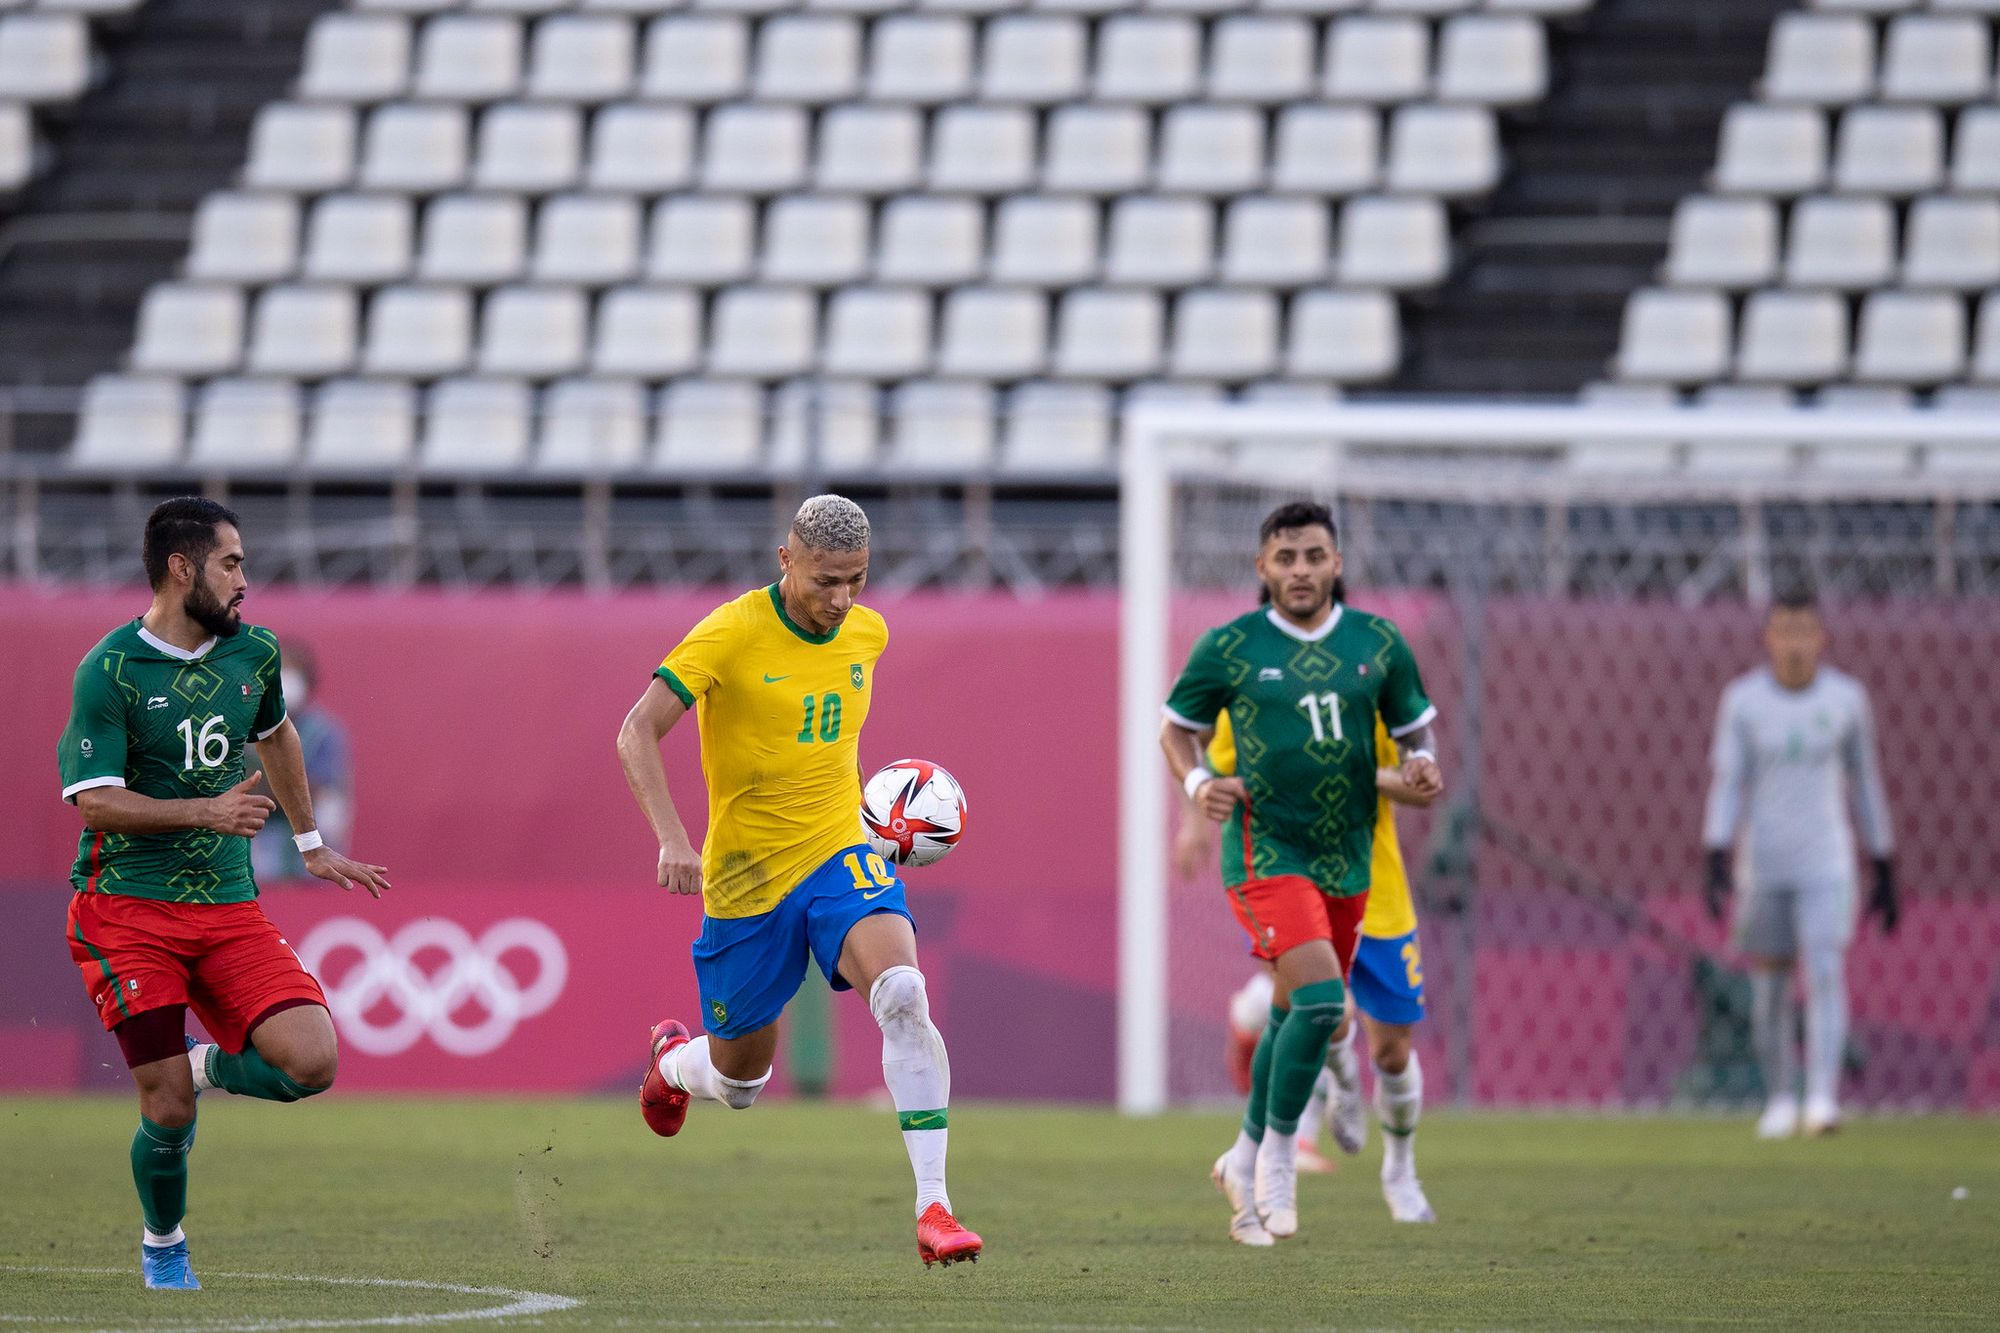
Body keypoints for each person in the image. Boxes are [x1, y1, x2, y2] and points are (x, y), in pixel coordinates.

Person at [615, 494, 981, 1267]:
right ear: (786, 561)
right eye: (825, 581)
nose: (841, 599)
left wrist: (879, 818)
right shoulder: (731, 631)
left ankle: (935, 1207)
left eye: (855, 579)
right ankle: (673, 1064)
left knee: (904, 994)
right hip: (745, 877)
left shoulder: (868, 632)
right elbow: (635, 729)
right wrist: (673, 838)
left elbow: (829, 744)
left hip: (839, 854)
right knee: (740, 1080)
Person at [56, 497, 391, 1291]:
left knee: (314, 1061)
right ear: (182, 568)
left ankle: (205, 1064)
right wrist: (204, 810)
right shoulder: (110, 670)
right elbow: (94, 799)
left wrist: (309, 843)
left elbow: (274, 733)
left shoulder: (256, 654)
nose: (246, 580)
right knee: (167, 1108)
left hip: (228, 908)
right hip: (126, 911)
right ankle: (164, 1240)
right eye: (231, 563)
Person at [1160, 500, 1442, 1247]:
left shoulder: (1376, 647)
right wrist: (1195, 803)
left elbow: (1414, 737)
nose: (1300, 571)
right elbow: (1195, 740)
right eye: (1286, 558)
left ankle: (1295, 1153)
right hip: (1271, 854)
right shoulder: (1236, 651)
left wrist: (1417, 769)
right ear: (1262, 567)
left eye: (1314, 556)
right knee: (1320, 1003)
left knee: (1371, 1038)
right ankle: (1281, 1157)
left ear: (1336, 561)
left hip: (1360, 864)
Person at [1199, 705, 1440, 1223]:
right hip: (1291, 881)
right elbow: (1217, 772)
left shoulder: (1368, 679)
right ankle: (1337, 1084)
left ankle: (1400, 1169)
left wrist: (1361, 774)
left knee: (1395, 1051)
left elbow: (1419, 784)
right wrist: (1198, 818)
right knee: (1327, 1007)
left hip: (1378, 890)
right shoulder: (1252, 680)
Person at [1702, 588, 1898, 1140]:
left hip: (1826, 862)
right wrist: (1714, 850)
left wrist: (1883, 859)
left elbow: (1865, 782)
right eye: (1784, 631)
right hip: (1764, 866)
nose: (1794, 643)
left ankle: (1822, 1100)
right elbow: (1729, 781)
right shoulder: (1742, 701)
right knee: (1770, 989)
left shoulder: (1845, 700)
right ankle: (1780, 1098)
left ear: (1821, 638)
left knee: (1827, 972)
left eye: (1803, 631)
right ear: (1769, 638)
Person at [247, 641, 354, 884]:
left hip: (310, 856)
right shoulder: (247, 728)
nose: (286, 679)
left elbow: (317, 792)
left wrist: (268, 789)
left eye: (293, 671)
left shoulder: (324, 732)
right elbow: (240, 787)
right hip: (258, 856)